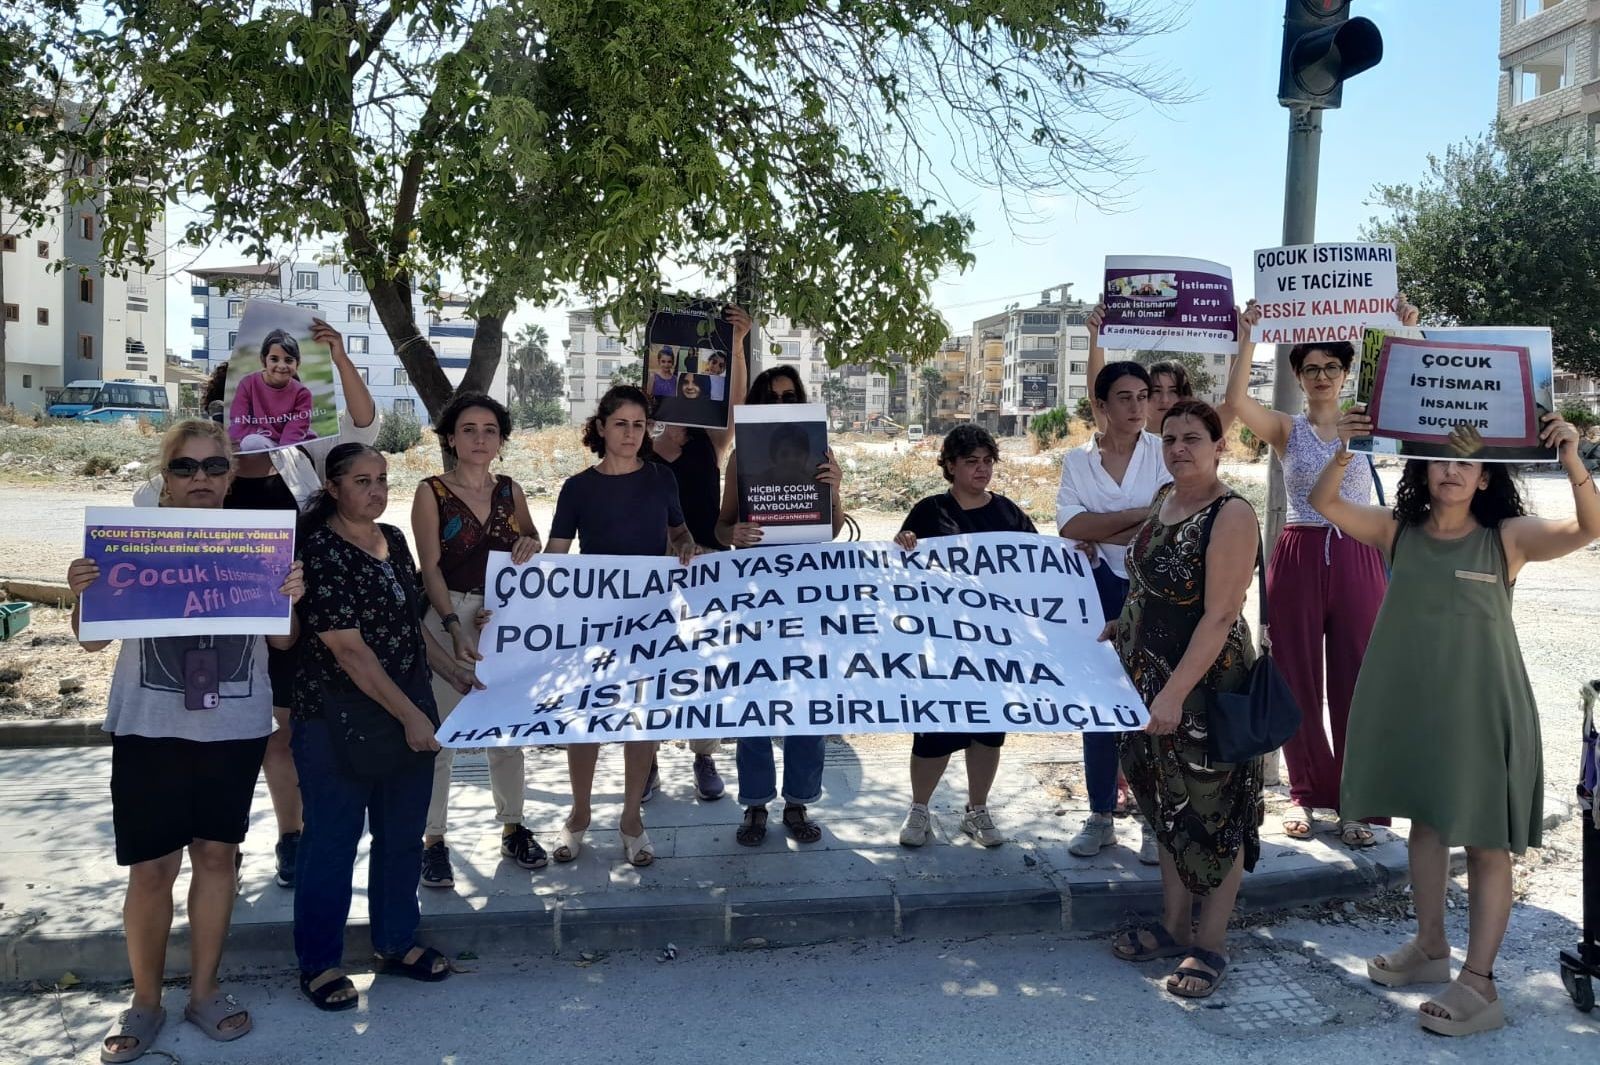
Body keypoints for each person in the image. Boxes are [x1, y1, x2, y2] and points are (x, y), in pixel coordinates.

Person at [1313, 407, 1598, 1036]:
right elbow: (1324, 502)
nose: (1452, 469)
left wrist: (1571, 456)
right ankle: (1431, 947)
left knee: (1486, 839)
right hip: (1415, 705)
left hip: (1482, 707)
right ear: (1422, 467)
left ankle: (1481, 984)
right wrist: (1347, 446)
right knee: (1427, 822)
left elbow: (1588, 528)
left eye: (1467, 461)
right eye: (1442, 457)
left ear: (1486, 477)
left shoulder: (1508, 538)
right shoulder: (1398, 529)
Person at [69, 420, 304, 1062]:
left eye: (213, 466)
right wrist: (82, 592)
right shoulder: (129, 541)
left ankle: (204, 991)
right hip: (148, 723)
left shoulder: (260, 544)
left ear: (231, 475)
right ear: (164, 477)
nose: (200, 477)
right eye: (185, 467)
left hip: (234, 725)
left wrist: (290, 594)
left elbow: (282, 641)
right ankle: (145, 1001)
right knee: (151, 870)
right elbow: (90, 641)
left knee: (217, 858)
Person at [134, 320, 379, 890]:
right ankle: (226, 841)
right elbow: (141, 535)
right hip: (208, 630)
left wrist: (339, 357)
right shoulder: (187, 479)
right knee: (222, 734)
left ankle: (289, 836)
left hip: (288, 621)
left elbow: (364, 424)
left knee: (282, 736)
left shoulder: (304, 461)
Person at [1225, 297, 1417, 846]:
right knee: (1296, 677)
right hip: (1300, 550)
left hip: (1358, 548)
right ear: (1297, 376)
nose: (1322, 377)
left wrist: (1409, 328)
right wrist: (1249, 335)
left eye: (1332, 367)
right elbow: (1237, 400)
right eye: (1311, 369)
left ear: (1346, 372)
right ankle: (1309, 795)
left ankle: (1364, 804)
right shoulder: (1287, 428)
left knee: (1359, 677)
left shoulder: (1369, 420)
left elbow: (1420, 392)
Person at [293, 443, 476, 1010]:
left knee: (400, 837)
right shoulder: (319, 550)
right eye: (362, 481)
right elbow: (351, 653)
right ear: (334, 488)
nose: (376, 490)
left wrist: (454, 673)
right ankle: (319, 963)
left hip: (407, 706)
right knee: (331, 843)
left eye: (382, 479)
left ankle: (395, 941)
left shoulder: (393, 539)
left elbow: (409, 625)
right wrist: (413, 717)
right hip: (337, 718)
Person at [1106, 399, 1261, 1001]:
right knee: (1166, 806)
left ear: (1219, 445)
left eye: (1192, 438)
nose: (1179, 449)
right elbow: (1145, 586)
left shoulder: (1232, 513)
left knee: (1214, 812)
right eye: (1169, 439)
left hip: (1203, 689)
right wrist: (1122, 625)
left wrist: (1172, 694)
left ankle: (1211, 943)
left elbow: (1220, 614)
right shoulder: (1162, 503)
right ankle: (1173, 926)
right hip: (1146, 684)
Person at [545, 385, 700, 867]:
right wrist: (522, 595)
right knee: (585, 720)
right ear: (600, 428)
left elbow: (678, 532)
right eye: (621, 423)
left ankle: (632, 819)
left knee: (640, 719)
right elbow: (556, 555)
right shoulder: (577, 487)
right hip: (593, 622)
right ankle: (579, 815)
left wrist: (687, 545)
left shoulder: (661, 479)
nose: (631, 433)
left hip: (651, 619)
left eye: (639, 424)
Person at [412, 394, 545, 890]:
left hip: (504, 620)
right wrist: (451, 624)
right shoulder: (431, 491)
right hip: (450, 614)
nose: (480, 438)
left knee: (507, 732)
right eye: (469, 429)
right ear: (451, 436)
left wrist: (529, 545)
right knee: (441, 733)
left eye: (490, 430)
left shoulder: (511, 490)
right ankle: (434, 840)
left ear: (501, 439)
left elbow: (532, 545)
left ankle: (513, 825)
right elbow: (429, 567)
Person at [714, 365, 845, 846]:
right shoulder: (740, 464)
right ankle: (753, 804)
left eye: (790, 396)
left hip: (809, 598)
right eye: (770, 397)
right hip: (754, 598)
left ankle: (798, 800)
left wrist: (836, 488)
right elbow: (721, 527)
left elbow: (831, 530)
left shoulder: (823, 456)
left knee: (808, 701)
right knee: (754, 701)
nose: (782, 403)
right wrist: (735, 534)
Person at [894, 424, 1034, 849]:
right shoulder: (929, 510)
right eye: (972, 462)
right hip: (941, 643)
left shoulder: (1009, 513)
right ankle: (920, 810)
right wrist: (903, 544)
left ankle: (977, 810)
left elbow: (1039, 564)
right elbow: (900, 568)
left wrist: (1074, 554)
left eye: (988, 461)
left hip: (994, 643)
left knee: (989, 731)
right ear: (950, 465)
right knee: (934, 731)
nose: (982, 470)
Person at [1055, 362, 1171, 866]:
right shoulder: (1077, 462)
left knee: (1149, 705)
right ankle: (1100, 815)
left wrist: (1104, 530)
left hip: (1156, 590)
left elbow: (1171, 515)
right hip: (1095, 588)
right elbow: (1071, 523)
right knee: (1099, 703)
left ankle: (1150, 817)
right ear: (1100, 405)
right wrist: (1133, 520)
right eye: (1124, 397)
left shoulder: (1164, 452)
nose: (1137, 407)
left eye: (1143, 396)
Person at [642, 306, 751, 803]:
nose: (687, 388)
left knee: (703, 662)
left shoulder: (712, 438)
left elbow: (737, 404)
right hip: (651, 567)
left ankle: (703, 754)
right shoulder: (639, 441)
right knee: (649, 665)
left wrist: (740, 342)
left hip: (707, 562)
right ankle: (644, 760)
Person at [1083, 303, 1235, 434]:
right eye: (1156, 390)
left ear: (1184, 394)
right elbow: (1096, 396)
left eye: (1173, 390)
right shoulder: (1123, 435)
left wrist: (1239, 339)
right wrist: (1096, 336)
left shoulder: (1202, 436)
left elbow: (1233, 404)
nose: (1164, 399)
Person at [229, 328, 317, 450]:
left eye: (289, 360)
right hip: (262, 441)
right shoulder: (247, 384)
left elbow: (295, 432)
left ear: (298, 363)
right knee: (251, 443)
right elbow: (238, 422)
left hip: (291, 444)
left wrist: (283, 456)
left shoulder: (302, 393)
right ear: (263, 360)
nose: (281, 366)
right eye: (274, 359)